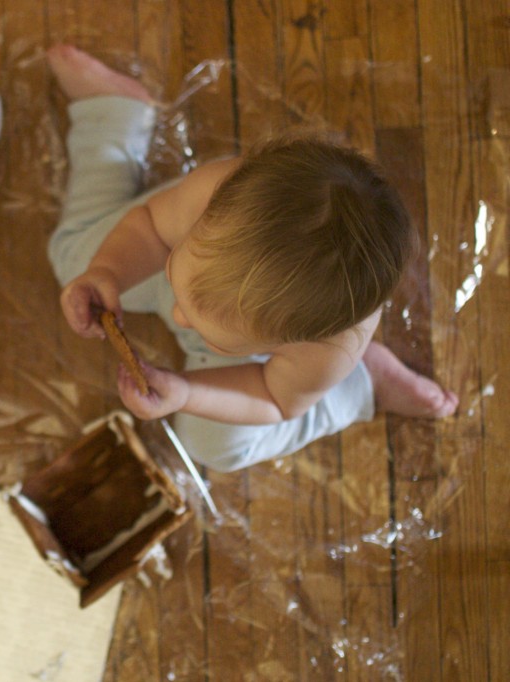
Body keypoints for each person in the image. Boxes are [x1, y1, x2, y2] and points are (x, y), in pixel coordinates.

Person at [46, 45, 457, 473]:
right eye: (180, 283)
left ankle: (360, 388)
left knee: (216, 446)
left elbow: (275, 398)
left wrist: (187, 391)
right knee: (73, 260)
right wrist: (107, 271)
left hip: (258, 342)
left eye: (215, 337)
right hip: (196, 259)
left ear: (288, 342)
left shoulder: (323, 352)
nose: (178, 315)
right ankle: (111, 114)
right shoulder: (214, 194)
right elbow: (150, 224)